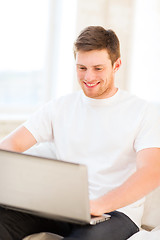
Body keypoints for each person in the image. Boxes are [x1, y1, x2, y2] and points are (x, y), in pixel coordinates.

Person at [0, 26, 160, 240]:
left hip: (115, 213)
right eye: (82, 67)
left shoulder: (144, 111)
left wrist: (99, 204)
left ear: (117, 65)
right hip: (60, 207)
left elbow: (151, 173)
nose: (89, 76)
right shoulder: (59, 107)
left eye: (98, 68)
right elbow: (9, 147)